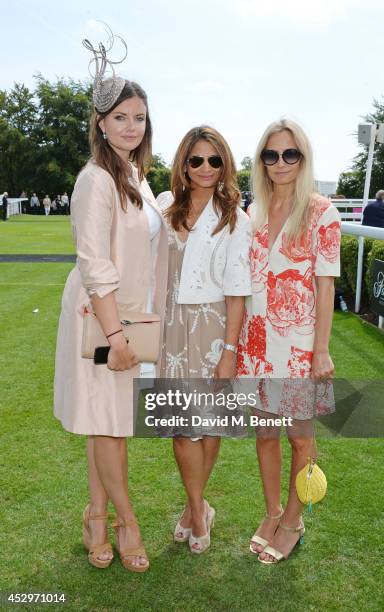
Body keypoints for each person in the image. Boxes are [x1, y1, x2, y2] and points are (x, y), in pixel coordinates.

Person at [54, 29, 168, 573]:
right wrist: (117, 338)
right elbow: (94, 263)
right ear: (101, 123)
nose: (131, 126)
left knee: (109, 421)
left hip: (124, 315)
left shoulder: (136, 177)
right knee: (112, 428)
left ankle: (95, 516)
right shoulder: (95, 178)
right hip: (103, 316)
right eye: (121, 116)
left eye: (139, 117)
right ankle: (127, 524)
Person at [237, 119, 341, 564]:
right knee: (264, 433)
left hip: (298, 348)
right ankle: (272, 511)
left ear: (303, 158)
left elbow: (326, 286)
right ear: (261, 161)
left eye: (289, 154)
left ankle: (294, 521)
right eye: (270, 155)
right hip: (254, 343)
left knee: (300, 438)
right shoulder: (251, 213)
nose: (280, 163)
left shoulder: (322, 212)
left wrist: (320, 349)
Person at [157, 125, 252, 554]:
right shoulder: (164, 208)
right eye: (196, 159)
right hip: (171, 328)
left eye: (215, 160)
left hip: (214, 328)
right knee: (183, 430)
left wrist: (230, 351)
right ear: (184, 163)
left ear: (225, 164)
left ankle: (193, 512)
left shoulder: (235, 217)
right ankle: (199, 510)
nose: (206, 168)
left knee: (207, 425)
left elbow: (237, 291)